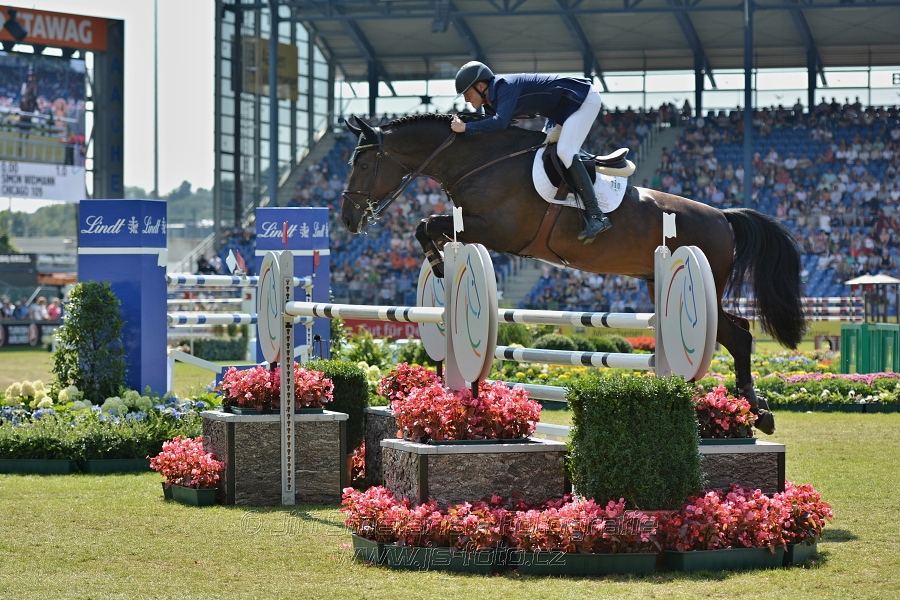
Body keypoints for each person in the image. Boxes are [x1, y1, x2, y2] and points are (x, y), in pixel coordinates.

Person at [450, 61, 612, 244]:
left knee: (566, 150)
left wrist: (466, 127)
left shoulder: (505, 87)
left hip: (582, 100)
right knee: (541, 154)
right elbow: (494, 131)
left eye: (467, 93)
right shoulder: (492, 101)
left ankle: (596, 215)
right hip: (559, 113)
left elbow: (500, 123)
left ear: (481, 86)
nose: (466, 99)